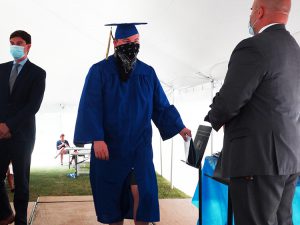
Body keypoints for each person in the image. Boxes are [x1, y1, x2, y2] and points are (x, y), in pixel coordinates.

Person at [74, 23, 191, 225]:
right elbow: (90, 106)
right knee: (112, 199)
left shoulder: (147, 73)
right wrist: (97, 138)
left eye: (136, 41)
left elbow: (160, 105)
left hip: (139, 146)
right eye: (127, 42)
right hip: (109, 147)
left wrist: (180, 127)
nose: (132, 45)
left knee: (144, 193)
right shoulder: (99, 71)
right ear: (116, 42)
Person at [204, 0, 300, 224]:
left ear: (260, 12)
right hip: (290, 159)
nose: (250, 16)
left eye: (251, 10)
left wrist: (213, 116)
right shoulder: (295, 49)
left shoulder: (253, 47)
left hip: (257, 160)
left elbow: (230, 100)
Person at [0, 30, 46, 225]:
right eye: (12, 42)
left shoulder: (37, 73)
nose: (15, 46)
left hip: (23, 136)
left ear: (28, 46)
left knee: (21, 183)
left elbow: (33, 106)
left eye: (19, 43)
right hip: (0, 134)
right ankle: (5, 213)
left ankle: (20, 221)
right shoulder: (0, 69)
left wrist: (9, 125)